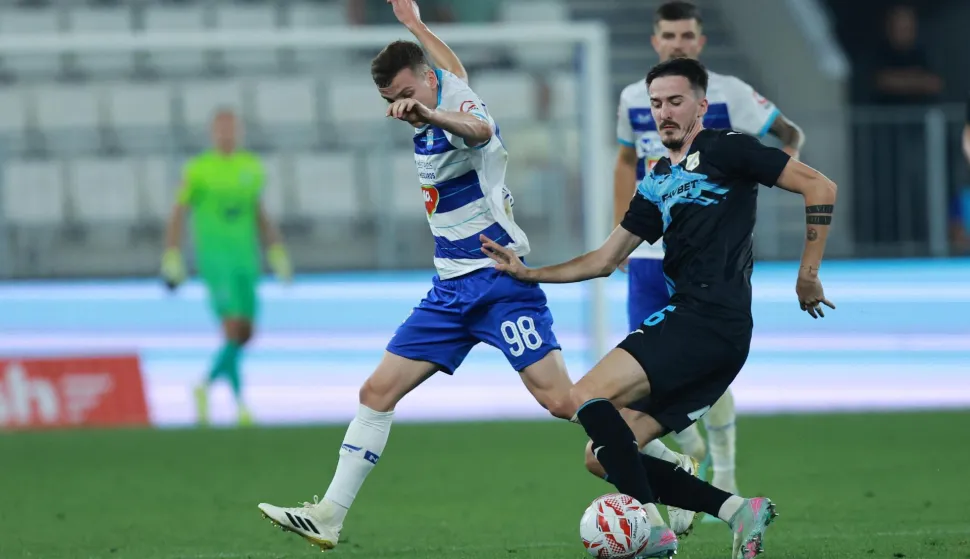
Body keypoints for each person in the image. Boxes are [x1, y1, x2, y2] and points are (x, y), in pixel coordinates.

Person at [482, 57, 837, 559]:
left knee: (583, 396)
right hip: (713, 334)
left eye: (675, 101)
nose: (664, 112)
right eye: (656, 104)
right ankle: (739, 510)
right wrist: (529, 273)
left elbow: (820, 186)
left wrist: (808, 273)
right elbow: (605, 260)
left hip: (705, 318)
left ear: (701, 106)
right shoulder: (657, 179)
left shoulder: (727, 147)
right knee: (602, 454)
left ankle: (651, 530)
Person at [255, 0, 574, 551]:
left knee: (561, 401)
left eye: (406, 93)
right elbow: (454, 70)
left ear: (427, 81)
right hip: (449, 289)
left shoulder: (453, 114)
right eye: (391, 100)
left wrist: (430, 114)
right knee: (376, 390)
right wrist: (414, 25)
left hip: (498, 280)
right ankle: (329, 515)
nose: (400, 107)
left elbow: (479, 129)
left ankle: (659, 455)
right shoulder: (442, 84)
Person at [613, 0, 806, 509]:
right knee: (643, 380)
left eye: (686, 36)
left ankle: (724, 471)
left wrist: (760, 185)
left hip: (706, 257)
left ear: (700, 41)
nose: (677, 43)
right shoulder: (635, 98)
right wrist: (621, 234)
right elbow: (626, 160)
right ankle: (688, 457)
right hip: (650, 257)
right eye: (669, 36)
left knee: (703, 368)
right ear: (655, 41)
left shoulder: (731, 93)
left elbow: (789, 136)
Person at [161, 109, 293, 427]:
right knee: (232, 327)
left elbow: (259, 211)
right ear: (212, 132)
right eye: (220, 128)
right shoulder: (198, 170)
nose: (226, 133)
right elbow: (179, 211)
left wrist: (275, 250)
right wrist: (172, 254)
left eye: (231, 128)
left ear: (239, 131)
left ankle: (207, 387)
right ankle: (237, 403)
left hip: (246, 258)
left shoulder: (251, 167)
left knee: (245, 333)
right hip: (215, 260)